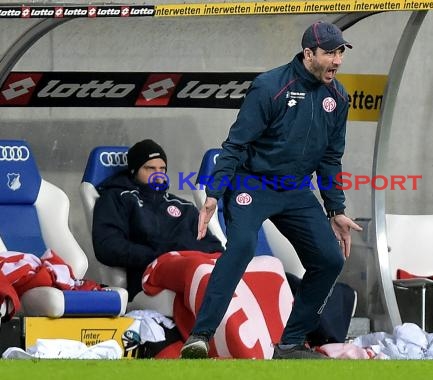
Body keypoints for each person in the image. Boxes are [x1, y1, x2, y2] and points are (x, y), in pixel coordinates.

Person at [180, 21, 363, 360]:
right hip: (252, 182)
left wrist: (335, 209)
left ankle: (291, 344)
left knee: (328, 259)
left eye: (340, 52)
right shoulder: (269, 87)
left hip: (295, 189)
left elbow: (330, 157)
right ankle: (200, 336)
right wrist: (213, 194)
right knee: (242, 247)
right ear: (309, 54)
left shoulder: (338, 97)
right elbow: (235, 144)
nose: (337, 60)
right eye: (329, 52)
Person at [92, 139, 224, 300]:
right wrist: (161, 254)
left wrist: (182, 252)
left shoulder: (183, 206)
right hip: (149, 278)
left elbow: (213, 246)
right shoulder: (116, 198)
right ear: (134, 170)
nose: (157, 174)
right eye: (150, 168)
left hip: (193, 270)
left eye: (162, 169)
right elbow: (108, 246)